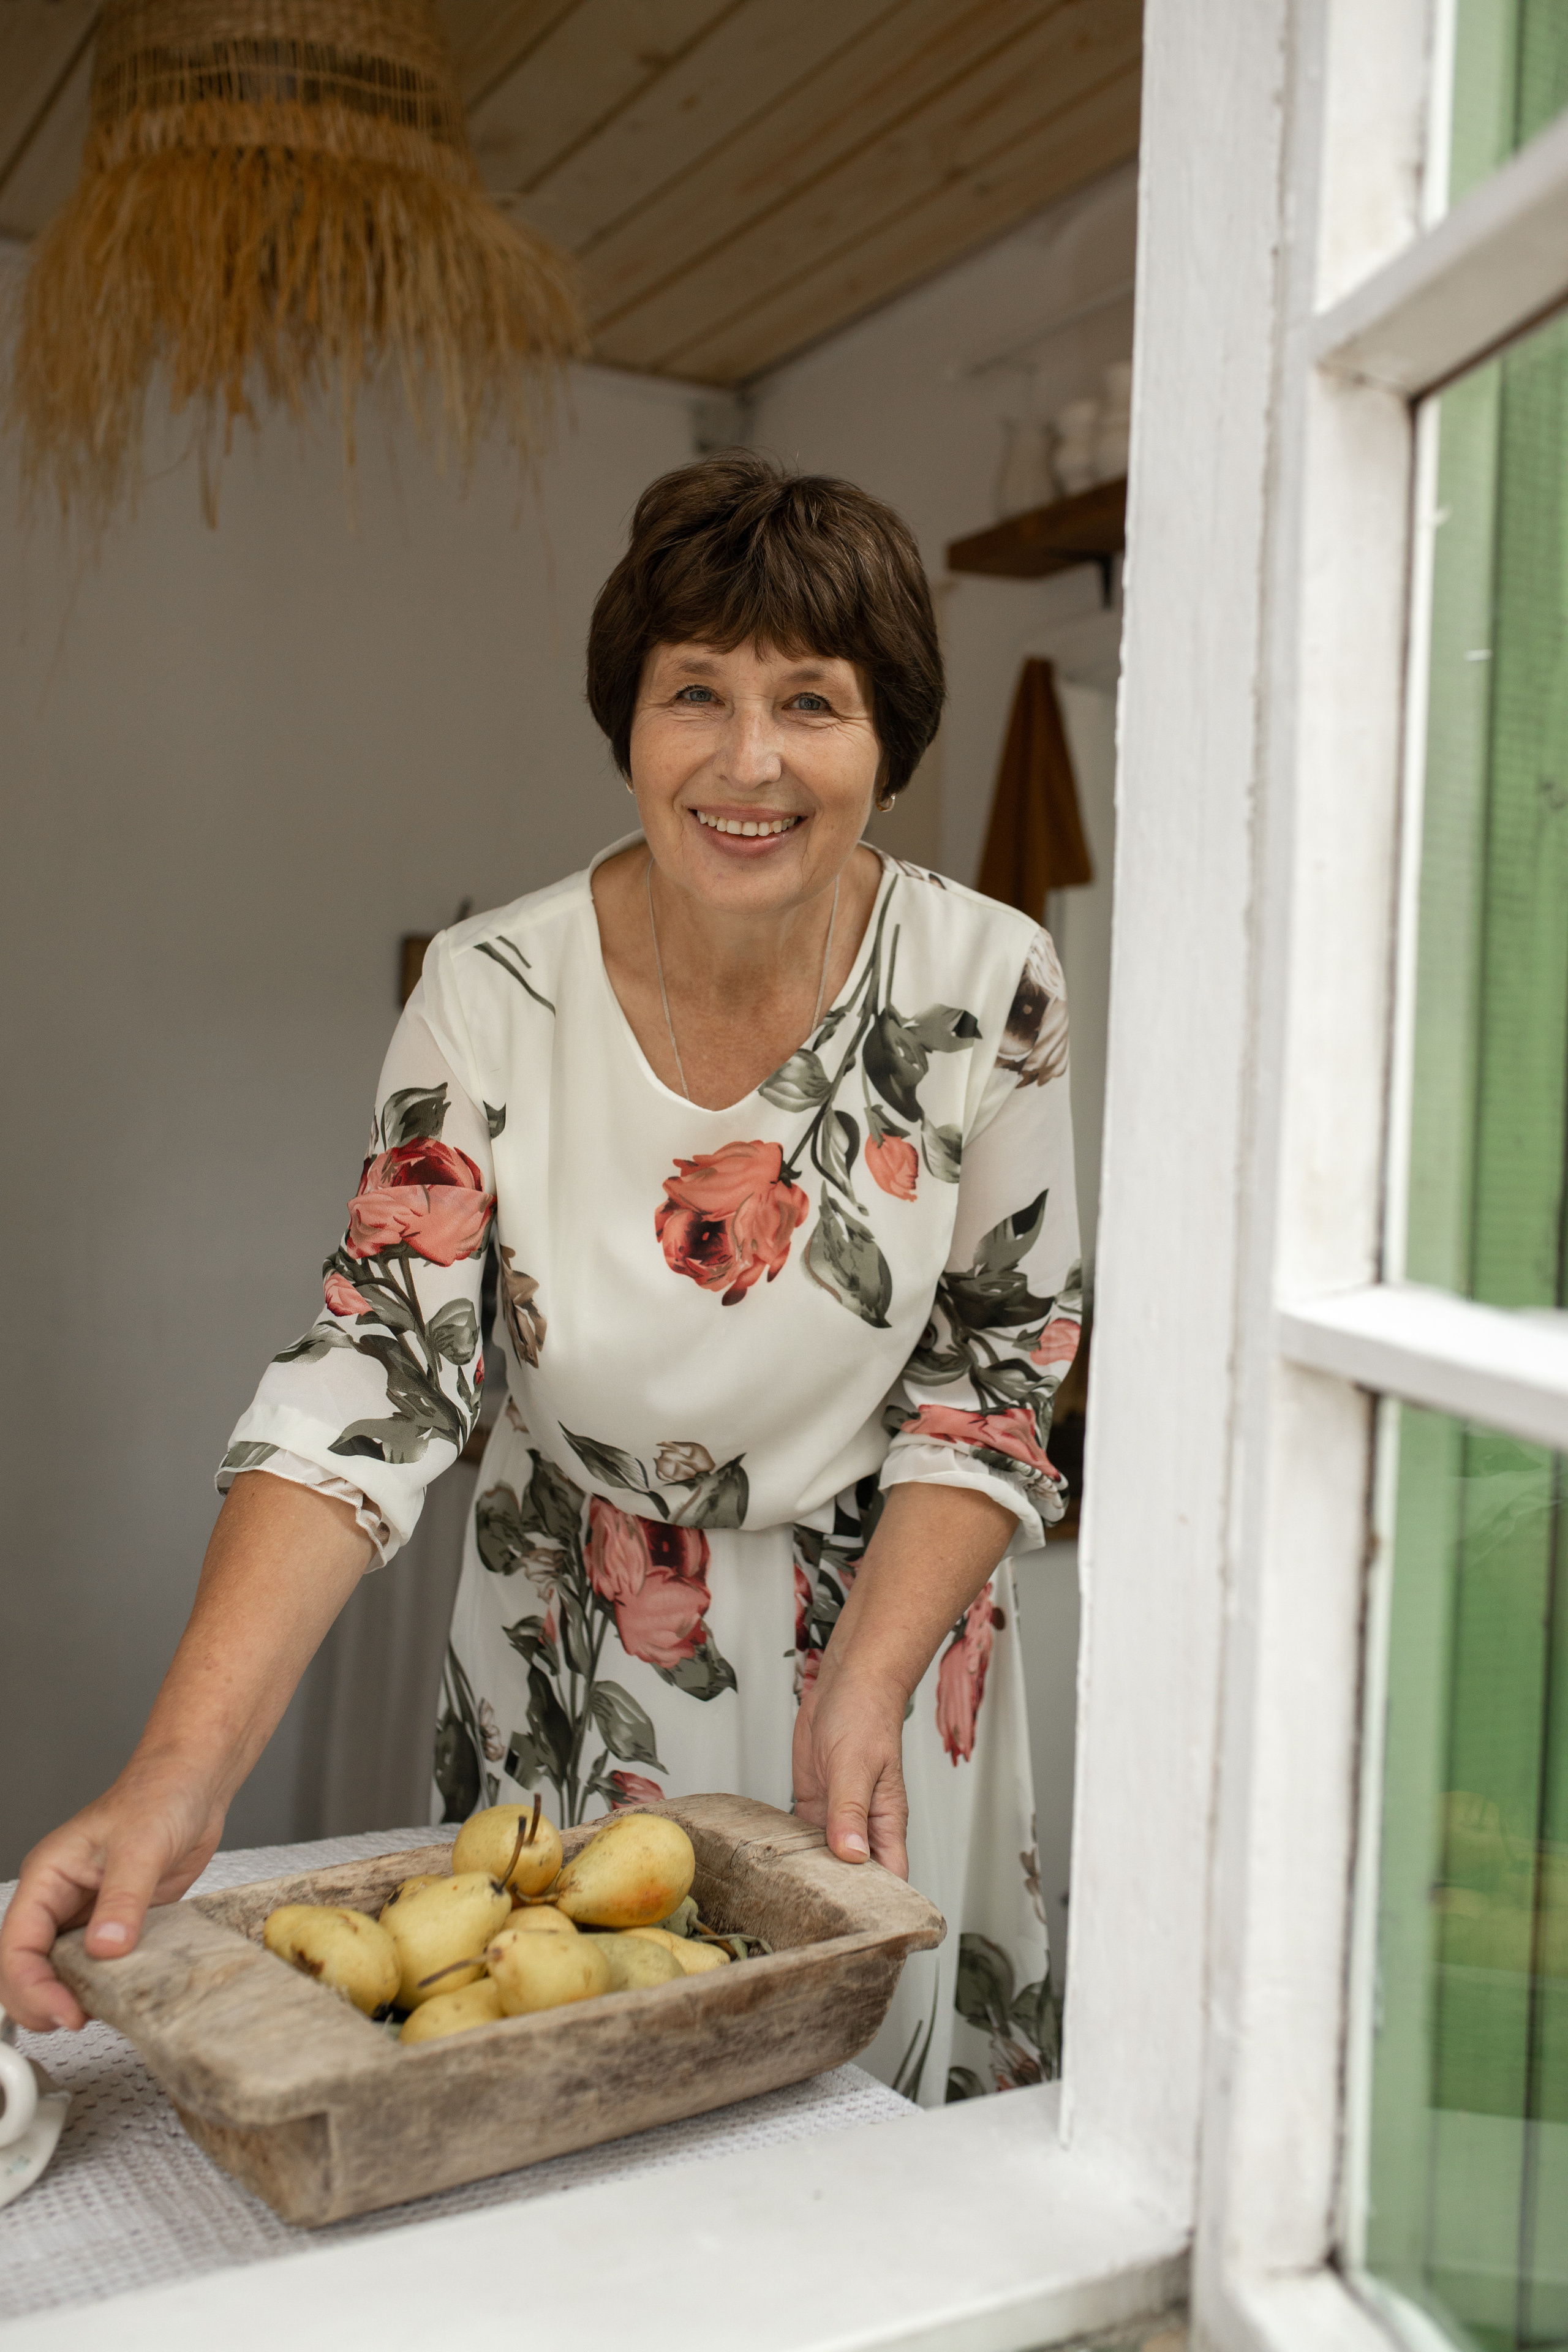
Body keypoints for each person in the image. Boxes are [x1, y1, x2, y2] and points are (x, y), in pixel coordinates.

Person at [0, 455, 1081, 2104]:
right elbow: (378, 1372)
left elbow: (998, 1383)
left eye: (812, 702)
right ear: (626, 723)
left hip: (884, 1641)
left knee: (875, 2161)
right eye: (694, 694)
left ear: (887, 740)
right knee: (555, 2113)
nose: (747, 760)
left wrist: (867, 1675)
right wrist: (175, 1778)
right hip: (571, 1647)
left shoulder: (992, 982)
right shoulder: (490, 994)